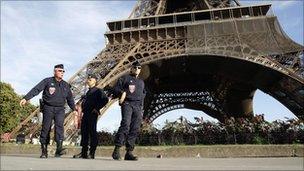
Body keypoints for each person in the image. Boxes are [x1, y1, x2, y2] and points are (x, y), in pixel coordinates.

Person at [20, 64, 77, 158]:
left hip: (60, 109)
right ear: (54, 71)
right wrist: (26, 98)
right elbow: (36, 89)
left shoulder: (66, 85)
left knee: (59, 128)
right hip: (48, 108)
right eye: (59, 71)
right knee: (46, 128)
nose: (62, 73)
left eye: (63, 71)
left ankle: (59, 149)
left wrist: (74, 109)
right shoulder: (47, 81)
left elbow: (70, 99)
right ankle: (44, 151)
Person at [112, 61, 146, 161]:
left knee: (135, 128)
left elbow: (144, 94)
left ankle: (129, 152)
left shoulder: (141, 82)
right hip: (127, 103)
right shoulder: (124, 78)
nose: (137, 69)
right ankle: (117, 150)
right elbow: (115, 89)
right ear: (131, 68)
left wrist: (141, 107)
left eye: (139, 68)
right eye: (135, 67)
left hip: (138, 106)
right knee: (125, 125)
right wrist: (121, 93)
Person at [73, 74, 109, 159]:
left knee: (92, 132)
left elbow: (105, 99)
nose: (88, 80)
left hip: (92, 114)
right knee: (84, 132)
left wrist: (97, 108)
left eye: (90, 79)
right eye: (88, 79)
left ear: (95, 81)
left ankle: (92, 153)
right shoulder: (88, 92)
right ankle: (84, 152)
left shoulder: (98, 90)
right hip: (85, 114)